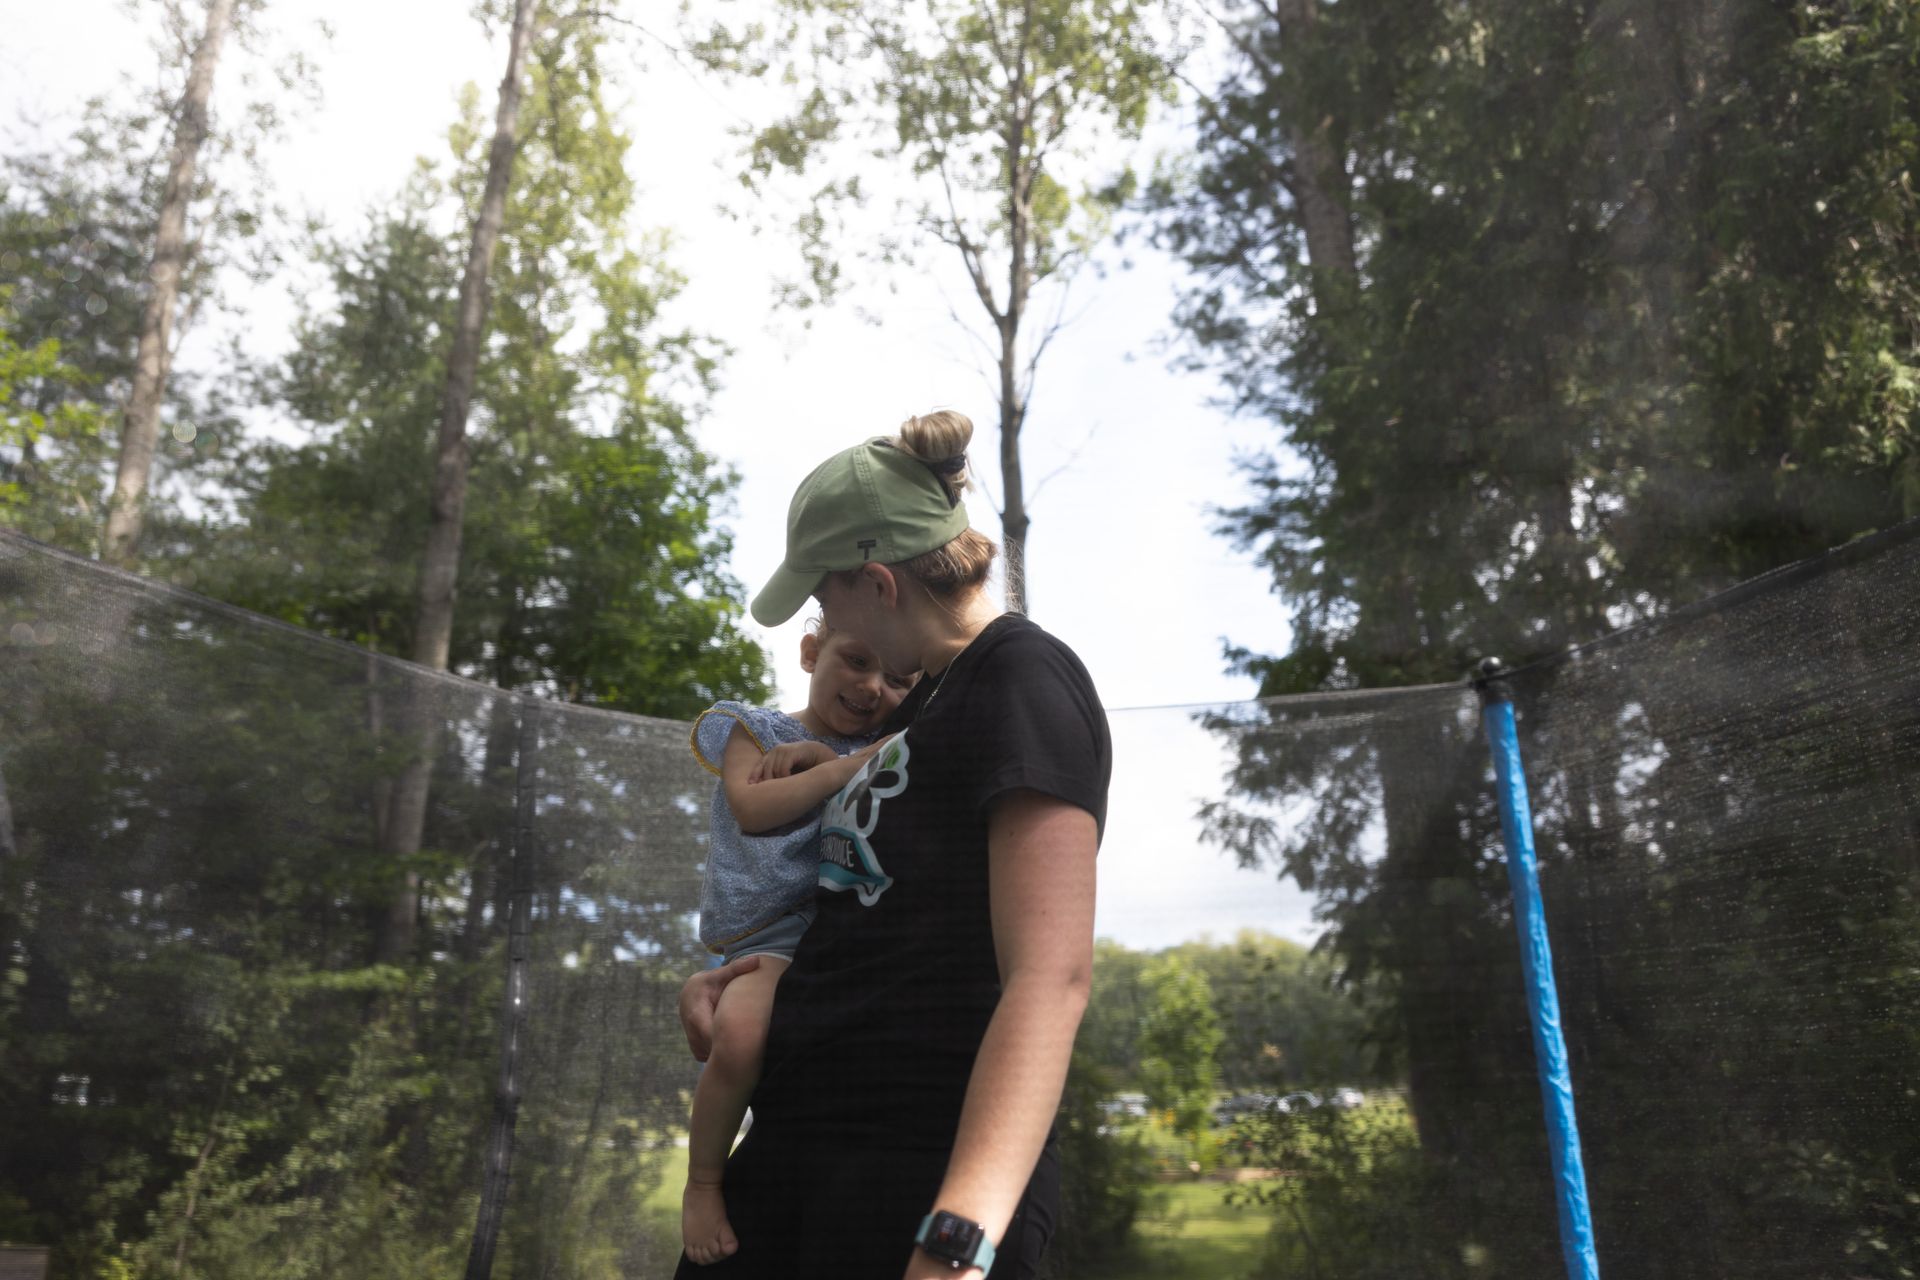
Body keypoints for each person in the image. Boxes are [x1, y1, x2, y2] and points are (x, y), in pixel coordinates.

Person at [674, 411, 1112, 1279]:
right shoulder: (917, 713)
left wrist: (958, 1236)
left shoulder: (1022, 677)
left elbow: (1050, 979)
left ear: (876, 584)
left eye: (823, 595)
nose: (822, 616)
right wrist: (745, 978)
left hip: (919, 1166)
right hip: (797, 1146)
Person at [682, 625, 917, 1265]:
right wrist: (835, 766)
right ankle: (704, 1182)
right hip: (771, 935)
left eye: (898, 678)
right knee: (741, 1035)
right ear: (812, 652)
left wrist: (828, 762)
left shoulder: (890, 744)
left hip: (847, 936)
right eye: (857, 660)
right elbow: (753, 807)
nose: (873, 686)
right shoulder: (753, 729)